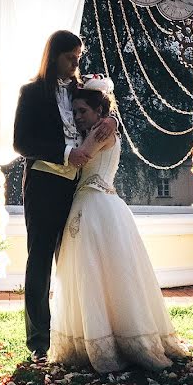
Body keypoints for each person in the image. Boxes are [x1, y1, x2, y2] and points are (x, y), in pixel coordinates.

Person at [48, 79, 188, 373]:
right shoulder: (101, 128)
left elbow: (79, 159)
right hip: (95, 203)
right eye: (74, 111)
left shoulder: (101, 131)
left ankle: (118, 340)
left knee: (103, 272)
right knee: (92, 272)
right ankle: (98, 337)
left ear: (100, 110)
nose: (77, 117)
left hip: (95, 203)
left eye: (82, 110)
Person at [12, 31, 116, 360]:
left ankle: (75, 333)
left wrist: (110, 118)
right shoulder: (31, 92)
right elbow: (20, 143)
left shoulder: (78, 89)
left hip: (76, 188)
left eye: (78, 57)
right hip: (43, 185)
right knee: (40, 261)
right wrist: (65, 152)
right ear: (54, 55)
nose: (76, 63)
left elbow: (102, 110)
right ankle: (39, 343)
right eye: (71, 57)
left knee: (72, 260)